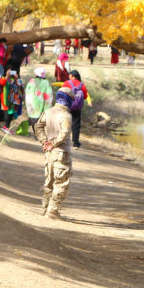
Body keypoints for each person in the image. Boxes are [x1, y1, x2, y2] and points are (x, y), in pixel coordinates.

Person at [35, 88, 75, 219]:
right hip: (62, 154)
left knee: (49, 181)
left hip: (50, 153)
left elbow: (38, 126)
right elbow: (64, 133)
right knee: (61, 183)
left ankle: (45, 208)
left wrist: (44, 141)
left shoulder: (48, 112)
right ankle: (52, 211)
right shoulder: (66, 115)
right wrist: (54, 143)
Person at [62, 71, 91, 149]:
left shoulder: (67, 83)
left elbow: (62, 92)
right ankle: (75, 143)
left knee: (65, 123)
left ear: (71, 76)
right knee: (76, 125)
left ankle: (63, 140)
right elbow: (85, 96)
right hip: (77, 107)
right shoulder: (82, 84)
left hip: (68, 106)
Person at [24, 67, 54, 142]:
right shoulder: (46, 82)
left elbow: (28, 92)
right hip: (42, 103)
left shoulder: (32, 81)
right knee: (41, 119)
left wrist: (29, 102)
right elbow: (49, 95)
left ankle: (36, 134)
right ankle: (40, 134)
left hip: (33, 103)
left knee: (34, 118)